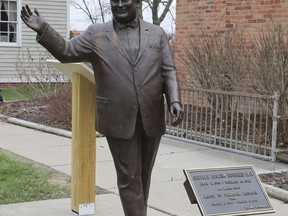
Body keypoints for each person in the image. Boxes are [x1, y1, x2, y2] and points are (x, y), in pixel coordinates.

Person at [21, 1, 183, 215]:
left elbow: (168, 70)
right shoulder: (96, 34)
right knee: (129, 178)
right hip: (117, 118)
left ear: (137, 2)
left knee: (143, 176)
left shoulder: (157, 33)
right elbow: (67, 50)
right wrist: (44, 29)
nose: (119, 4)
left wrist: (174, 100)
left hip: (151, 115)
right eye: (114, 0)